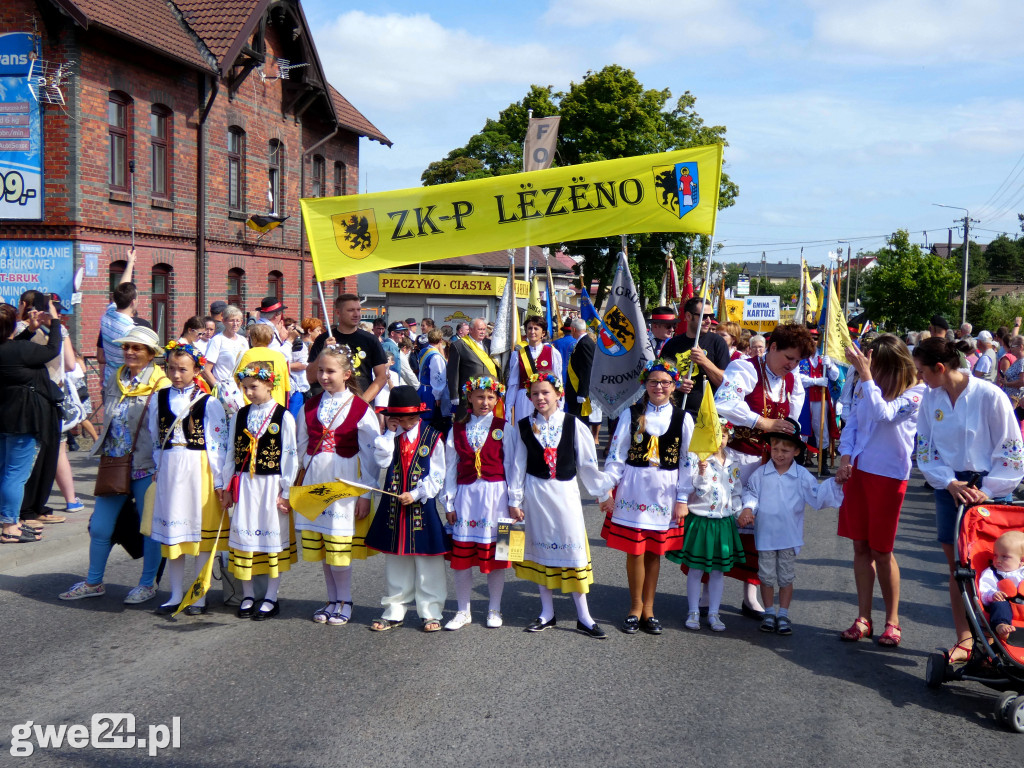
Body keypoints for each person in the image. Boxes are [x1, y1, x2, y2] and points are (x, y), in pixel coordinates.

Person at [914, 336, 1024, 664]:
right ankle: (964, 638)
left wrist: (988, 490)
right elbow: (925, 446)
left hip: (990, 490)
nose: (920, 378)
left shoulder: (989, 395)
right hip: (950, 490)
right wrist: (947, 482)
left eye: (923, 371)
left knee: (992, 565)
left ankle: (998, 636)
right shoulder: (930, 399)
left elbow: (1011, 447)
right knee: (958, 569)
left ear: (940, 367)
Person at [59, 326, 169, 602]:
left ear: (151, 354)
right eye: (126, 347)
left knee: (149, 528)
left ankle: (147, 584)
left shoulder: (162, 384)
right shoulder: (116, 378)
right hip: (114, 463)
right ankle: (94, 582)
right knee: (100, 526)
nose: (129, 352)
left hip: (148, 467)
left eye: (136, 348)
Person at [714, 323, 814, 618]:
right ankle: (707, 592)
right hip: (737, 460)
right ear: (772, 348)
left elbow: (792, 423)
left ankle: (750, 594)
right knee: (723, 523)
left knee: (761, 530)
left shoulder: (793, 381)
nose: (792, 365)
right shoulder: (744, 369)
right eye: (789, 358)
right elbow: (725, 402)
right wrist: (762, 423)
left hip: (769, 466)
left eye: (797, 361)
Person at [507, 373, 614, 639]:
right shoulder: (521, 427)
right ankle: (547, 612)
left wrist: (603, 494)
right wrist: (514, 500)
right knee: (541, 552)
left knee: (572, 551)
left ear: (558, 394)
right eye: (535, 393)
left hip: (565, 496)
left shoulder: (573, 424)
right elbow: (517, 466)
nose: (540, 398)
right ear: (529, 398)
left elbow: (588, 465)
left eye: (545, 392)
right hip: (535, 495)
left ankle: (584, 616)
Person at [835, 335, 924, 647]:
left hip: (889, 476)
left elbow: (882, 414)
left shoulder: (917, 393)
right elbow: (853, 424)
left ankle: (892, 620)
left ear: (895, 368)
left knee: (881, 551)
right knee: (860, 546)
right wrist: (846, 457)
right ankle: (863, 617)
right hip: (859, 471)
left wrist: (868, 378)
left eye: (877, 368)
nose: (870, 372)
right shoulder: (866, 386)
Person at [603, 359, 693, 634]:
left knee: (654, 552)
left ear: (674, 387)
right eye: (654, 381)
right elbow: (617, 455)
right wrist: (607, 488)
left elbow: (687, 460)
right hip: (634, 488)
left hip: (665, 492)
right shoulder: (631, 415)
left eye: (665, 382)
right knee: (635, 550)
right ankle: (635, 607)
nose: (659, 387)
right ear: (645, 384)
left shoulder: (683, 418)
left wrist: (683, 498)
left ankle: (649, 609)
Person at [295, 346, 381, 626]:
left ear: (346, 374)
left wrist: (366, 493)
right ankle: (331, 599)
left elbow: (370, 455)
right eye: (320, 370)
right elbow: (299, 445)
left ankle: (345, 600)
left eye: (330, 371)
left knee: (339, 545)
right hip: (315, 481)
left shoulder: (359, 408)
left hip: (344, 483)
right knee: (324, 544)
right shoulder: (309, 405)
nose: (323, 376)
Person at [737, 418, 844, 634]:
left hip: (788, 537)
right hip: (766, 536)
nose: (779, 454)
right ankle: (768, 612)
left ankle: (783, 614)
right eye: (775, 448)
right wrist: (748, 509)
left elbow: (817, 496)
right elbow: (751, 493)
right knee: (766, 576)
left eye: (785, 450)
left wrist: (835, 483)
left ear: (796, 451)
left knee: (785, 577)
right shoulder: (761, 474)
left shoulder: (802, 476)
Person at [147, 341, 229, 615]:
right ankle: (175, 593)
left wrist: (219, 481)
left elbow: (217, 443)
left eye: (182, 369)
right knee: (174, 535)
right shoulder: (159, 398)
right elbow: (154, 436)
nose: (176, 374)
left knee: (199, 535)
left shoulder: (208, 402)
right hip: (171, 467)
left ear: (196, 370)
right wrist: (158, 465)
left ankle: (198, 595)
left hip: (198, 468)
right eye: (171, 368)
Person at [366, 385, 450, 632]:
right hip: (394, 508)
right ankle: (394, 611)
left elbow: (437, 475)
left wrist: (415, 494)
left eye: (412, 418)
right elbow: (381, 461)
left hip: (421, 508)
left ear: (419, 414)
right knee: (396, 560)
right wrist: (389, 433)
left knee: (427, 560)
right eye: (401, 419)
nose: (407, 423)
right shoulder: (391, 437)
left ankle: (431, 611)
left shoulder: (433, 438)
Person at [220, 362, 298, 620]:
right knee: (245, 539)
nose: (249, 392)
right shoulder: (240, 415)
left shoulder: (283, 416)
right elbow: (231, 452)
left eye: (254, 387)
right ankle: (248, 594)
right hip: (244, 484)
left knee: (271, 540)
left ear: (269, 384)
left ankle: (271, 597)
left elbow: (290, 456)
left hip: (270, 485)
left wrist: (286, 491)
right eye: (245, 388)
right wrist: (225, 485)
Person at [442, 376, 513, 630]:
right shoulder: (457, 429)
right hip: (467, 498)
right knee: (461, 558)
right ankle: (463, 610)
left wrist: (515, 500)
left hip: (498, 500)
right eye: (480, 396)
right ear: (469, 397)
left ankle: (495, 608)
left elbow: (513, 467)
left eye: (491, 397)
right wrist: (449, 503)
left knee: (499, 556)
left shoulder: (505, 427)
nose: (485, 402)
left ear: (497, 400)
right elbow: (450, 468)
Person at [669, 423, 744, 632]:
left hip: (723, 522)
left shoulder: (734, 461)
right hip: (702, 520)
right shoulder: (699, 459)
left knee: (719, 571)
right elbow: (699, 492)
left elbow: (735, 491)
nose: (719, 439)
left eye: (723, 434)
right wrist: (702, 473)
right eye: (714, 434)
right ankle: (693, 610)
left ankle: (714, 612)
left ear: (728, 437)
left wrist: (740, 512)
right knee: (695, 569)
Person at [0, 300, 61, 544]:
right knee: (15, 474)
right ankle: (9, 526)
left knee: (5, 471)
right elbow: (52, 350)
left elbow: (14, 347)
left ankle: (9, 520)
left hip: (5, 417)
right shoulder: (16, 350)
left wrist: (31, 329)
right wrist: (54, 322)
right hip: (23, 419)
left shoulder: (10, 348)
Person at [306, 294, 389, 403]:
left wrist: (362, 403)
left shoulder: (370, 339)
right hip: (330, 403)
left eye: (358, 310)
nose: (356, 314)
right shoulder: (324, 340)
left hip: (360, 404)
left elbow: (382, 377)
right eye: (350, 310)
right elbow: (311, 377)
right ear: (338, 313)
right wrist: (323, 352)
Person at [661, 297, 731, 421]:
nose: (709, 321)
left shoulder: (717, 342)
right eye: (704, 316)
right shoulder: (672, 344)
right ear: (688, 316)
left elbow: (726, 382)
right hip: (676, 413)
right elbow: (659, 378)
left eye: (711, 316)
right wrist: (676, 384)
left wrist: (704, 362)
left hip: (706, 417)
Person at [506, 315, 563, 423]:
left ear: (543, 333)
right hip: (524, 399)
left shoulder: (552, 353)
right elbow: (513, 383)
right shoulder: (518, 354)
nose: (532, 331)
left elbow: (558, 380)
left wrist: (560, 401)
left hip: (545, 398)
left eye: (536, 328)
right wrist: (509, 406)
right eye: (529, 328)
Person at [98, 248, 140, 387]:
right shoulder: (130, 330)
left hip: (109, 380)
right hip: (124, 385)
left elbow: (122, 288)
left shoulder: (107, 315)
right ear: (133, 302)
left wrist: (130, 263)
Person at [446, 317, 498, 420]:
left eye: (484, 329)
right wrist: (454, 395)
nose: (483, 332)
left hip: (488, 393)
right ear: (470, 330)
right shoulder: (459, 345)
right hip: (468, 395)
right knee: (465, 422)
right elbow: (452, 372)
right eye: (480, 329)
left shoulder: (490, 344)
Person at [798, 344, 840, 471]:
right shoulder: (800, 356)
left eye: (815, 339)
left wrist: (830, 365)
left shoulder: (824, 357)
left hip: (820, 399)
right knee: (801, 429)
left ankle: (823, 463)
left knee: (822, 430)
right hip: (803, 399)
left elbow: (835, 376)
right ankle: (799, 461)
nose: (812, 342)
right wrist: (815, 381)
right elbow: (797, 377)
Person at [201, 305, 248, 417]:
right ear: (223, 321)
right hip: (224, 390)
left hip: (241, 389)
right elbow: (206, 369)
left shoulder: (243, 341)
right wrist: (218, 388)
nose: (235, 324)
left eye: (238, 321)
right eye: (232, 320)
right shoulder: (217, 340)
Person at [979, 531, 1024, 641]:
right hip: (1005, 605)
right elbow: (984, 589)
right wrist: (992, 594)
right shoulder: (991, 573)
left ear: (1021, 561)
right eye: (995, 555)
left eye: (1005, 557)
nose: (998, 560)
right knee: (1000, 604)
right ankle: (1001, 625)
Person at [236, 323, 290, 407]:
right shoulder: (280, 356)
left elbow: (237, 379)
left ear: (252, 338)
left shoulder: (246, 355)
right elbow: (286, 387)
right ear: (271, 339)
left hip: (251, 403)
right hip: (276, 404)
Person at [417, 328, 452, 436]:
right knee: (430, 418)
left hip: (423, 388)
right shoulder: (436, 357)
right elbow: (438, 378)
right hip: (431, 391)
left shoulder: (424, 350)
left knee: (424, 417)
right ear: (440, 340)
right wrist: (438, 396)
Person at [565, 321, 595, 419]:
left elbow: (587, 369)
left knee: (580, 422)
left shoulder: (585, 343)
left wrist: (582, 393)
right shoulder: (582, 342)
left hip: (579, 390)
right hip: (575, 389)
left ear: (573, 329)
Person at [283, 317, 309, 418]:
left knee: (292, 418)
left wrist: (284, 365)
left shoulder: (299, 344)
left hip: (297, 388)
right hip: (284, 388)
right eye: (290, 329)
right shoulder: (281, 344)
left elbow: (302, 365)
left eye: (294, 328)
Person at [551, 320, 578, 388]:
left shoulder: (555, 343)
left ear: (563, 331)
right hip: (574, 375)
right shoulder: (578, 342)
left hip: (558, 374)